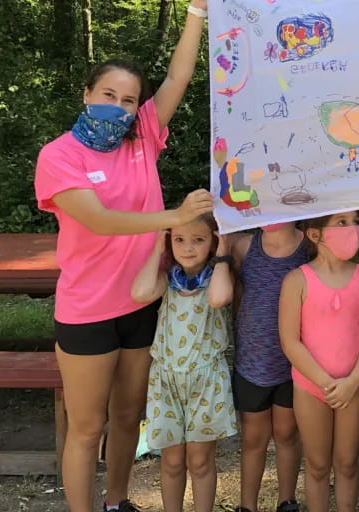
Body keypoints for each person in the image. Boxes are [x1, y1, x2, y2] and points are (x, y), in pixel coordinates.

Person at [34, 0, 213, 512]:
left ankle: (116, 503)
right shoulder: (58, 156)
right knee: (87, 429)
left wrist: (195, 11)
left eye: (130, 99)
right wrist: (173, 217)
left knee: (128, 416)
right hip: (88, 310)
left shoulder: (142, 139)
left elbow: (180, 75)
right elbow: (100, 220)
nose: (119, 105)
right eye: (108, 94)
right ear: (87, 95)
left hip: (142, 303)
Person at [130, 214, 237, 512]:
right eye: (179, 239)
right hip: (165, 381)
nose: (188, 248)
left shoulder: (218, 278)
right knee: (172, 461)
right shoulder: (168, 281)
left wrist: (223, 252)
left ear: (213, 242)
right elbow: (139, 292)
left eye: (198, 240)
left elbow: (218, 299)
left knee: (200, 461)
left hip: (206, 382)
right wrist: (156, 249)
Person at [278, 210, 359, 512]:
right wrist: (326, 384)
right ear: (315, 234)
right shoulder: (296, 280)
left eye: (354, 221)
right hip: (311, 388)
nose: (353, 228)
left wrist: (351, 383)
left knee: (347, 464)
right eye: (342, 222)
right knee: (318, 465)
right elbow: (290, 340)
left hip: (352, 387)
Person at [229, 222, 307, 512]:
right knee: (253, 437)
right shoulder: (243, 247)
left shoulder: (308, 247)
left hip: (293, 363)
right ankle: (246, 506)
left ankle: (287, 502)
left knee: (287, 433)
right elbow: (235, 295)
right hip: (252, 361)